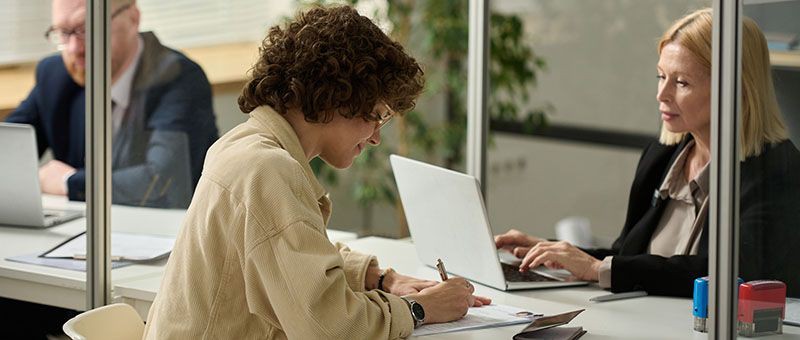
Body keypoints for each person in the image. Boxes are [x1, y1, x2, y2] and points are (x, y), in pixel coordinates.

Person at [143, 6, 491, 339]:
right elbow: (332, 330)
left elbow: (291, 253)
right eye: (375, 114)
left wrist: (379, 278)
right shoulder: (268, 170)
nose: (375, 137)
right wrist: (418, 308)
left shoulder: (244, 143)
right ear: (334, 97)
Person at [495, 8, 800, 297]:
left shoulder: (779, 171)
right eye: (660, 76)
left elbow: (733, 272)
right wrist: (553, 251)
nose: (661, 94)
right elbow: (630, 258)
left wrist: (598, 268)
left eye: (681, 82)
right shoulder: (661, 157)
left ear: (735, 88)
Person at [5, 0, 218, 209]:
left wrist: (68, 182)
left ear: (133, 18)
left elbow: (162, 182)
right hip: (81, 231)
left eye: (86, 29)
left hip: (164, 233)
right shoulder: (54, 75)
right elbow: (8, 148)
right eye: (63, 32)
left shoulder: (178, 77)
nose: (74, 48)